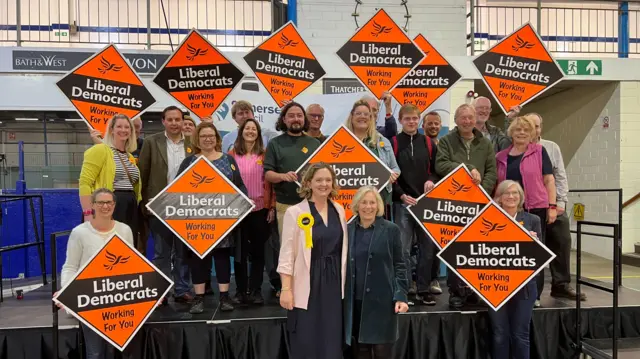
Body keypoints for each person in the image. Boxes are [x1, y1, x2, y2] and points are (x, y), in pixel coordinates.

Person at [278, 163, 348, 359]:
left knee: (332, 335)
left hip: (334, 282)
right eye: (319, 180)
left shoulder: (339, 210)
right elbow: (286, 255)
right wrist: (286, 289)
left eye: (328, 180)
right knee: (307, 335)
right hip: (306, 281)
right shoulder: (295, 212)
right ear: (308, 183)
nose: (324, 184)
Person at [57, 188, 136, 359]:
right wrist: (67, 291)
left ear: (114, 205)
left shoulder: (125, 231)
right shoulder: (79, 233)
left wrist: (148, 293)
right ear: (92, 205)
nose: (105, 206)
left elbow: (132, 267)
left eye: (109, 202)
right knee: (96, 353)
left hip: (117, 299)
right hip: (91, 300)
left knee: (116, 351)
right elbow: (70, 267)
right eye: (100, 202)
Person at [178, 122, 248, 313]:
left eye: (211, 135)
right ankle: (198, 298)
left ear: (216, 138)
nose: (207, 139)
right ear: (197, 140)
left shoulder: (228, 160)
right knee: (198, 258)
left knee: (222, 256)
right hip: (197, 220)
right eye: (203, 136)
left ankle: (224, 297)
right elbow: (178, 190)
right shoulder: (189, 162)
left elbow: (240, 186)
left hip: (223, 219)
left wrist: (241, 203)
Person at [435, 104, 497, 309]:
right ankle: (456, 292)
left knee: (475, 251)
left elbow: (491, 172)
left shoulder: (486, 143)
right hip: (455, 203)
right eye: (463, 118)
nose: (467, 121)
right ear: (456, 120)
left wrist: (482, 193)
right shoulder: (446, 141)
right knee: (455, 249)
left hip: (480, 203)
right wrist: (467, 169)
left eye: (470, 118)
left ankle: (472, 290)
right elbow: (441, 165)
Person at [496, 116, 556, 307]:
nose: (521, 133)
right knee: (508, 254)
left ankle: (534, 295)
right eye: (517, 130)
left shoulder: (539, 151)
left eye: (525, 130)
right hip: (507, 210)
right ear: (511, 133)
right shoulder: (501, 156)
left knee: (533, 253)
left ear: (532, 133)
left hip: (535, 208)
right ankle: (509, 290)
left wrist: (552, 206)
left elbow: (549, 180)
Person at [344, 186, 409, 358]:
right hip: (356, 303)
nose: (368, 207)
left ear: (378, 205)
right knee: (361, 351)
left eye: (372, 202)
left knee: (382, 351)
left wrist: (401, 295)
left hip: (383, 303)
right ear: (357, 205)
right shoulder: (347, 230)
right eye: (364, 202)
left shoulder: (391, 230)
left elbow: (400, 265)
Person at [528, 113, 587, 302]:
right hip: (531, 207)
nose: (534, 130)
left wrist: (560, 203)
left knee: (562, 240)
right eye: (530, 125)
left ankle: (561, 285)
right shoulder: (516, 148)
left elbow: (560, 175)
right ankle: (531, 291)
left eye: (537, 126)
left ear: (541, 128)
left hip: (553, 204)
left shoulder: (551, 147)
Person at [138, 106, 193, 304]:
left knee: (182, 252)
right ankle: (160, 290)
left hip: (185, 206)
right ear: (163, 121)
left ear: (182, 121)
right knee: (161, 252)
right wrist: (145, 202)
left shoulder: (191, 143)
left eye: (177, 119)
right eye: (170, 119)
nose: (174, 123)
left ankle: (182, 289)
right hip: (158, 205)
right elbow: (142, 173)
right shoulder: (152, 142)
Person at [390, 104, 440, 305]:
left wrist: (431, 180)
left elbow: (437, 170)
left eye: (414, 118)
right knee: (403, 249)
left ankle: (423, 288)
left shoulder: (429, 143)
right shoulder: (392, 142)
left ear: (419, 120)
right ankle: (404, 289)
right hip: (402, 204)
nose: (411, 122)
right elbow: (390, 174)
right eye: (407, 118)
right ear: (401, 120)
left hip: (425, 205)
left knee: (428, 249)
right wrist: (401, 196)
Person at [489, 180, 541, 359]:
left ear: (521, 197)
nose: (511, 197)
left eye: (515, 193)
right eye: (506, 193)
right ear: (499, 197)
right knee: (499, 335)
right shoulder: (488, 219)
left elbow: (541, 256)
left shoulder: (533, 220)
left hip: (524, 287)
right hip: (495, 285)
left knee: (520, 335)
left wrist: (534, 243)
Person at [228, 118, 275, 305]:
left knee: (258, 253)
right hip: (239, 211)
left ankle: (255, 290)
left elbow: (271, 184)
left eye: (254, 129)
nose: (250, 131)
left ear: (258, 133)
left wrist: (271, 206)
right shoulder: (231, 155)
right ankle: (240, 291)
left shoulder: (265, 155)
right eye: (247, 128)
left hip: (260, 210)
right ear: (241, 132)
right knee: (240, 253)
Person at [79, 114, 140, 245]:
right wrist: (88, 213)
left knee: (127, 248)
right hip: (108, 205)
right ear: (111, 129)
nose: (123, 130)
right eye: (119, 126)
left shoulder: (129, 156)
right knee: (104, 247)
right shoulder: (100, 150)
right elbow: (85, 183)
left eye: (127, 127)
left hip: (130, 207)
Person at [264, 101, 321, 237]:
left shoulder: (315, 143)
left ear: (304, 118)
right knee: (288, 249)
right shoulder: (275, 143)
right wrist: (283, 176)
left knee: (310, 247)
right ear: (284, 119)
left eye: (299, 115)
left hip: (311, 204)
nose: (296, 119)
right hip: (285, 206)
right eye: (291, 116)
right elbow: (268, 174)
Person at [345, 99, 400, 218]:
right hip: (351, 203)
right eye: (358, 113)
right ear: (351, 116)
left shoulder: (382, 141)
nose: (362, 117)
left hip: (380, 202)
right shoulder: (341, 141)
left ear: (371, 118)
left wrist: (392, 174)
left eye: (366, 114)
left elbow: (395, 168)